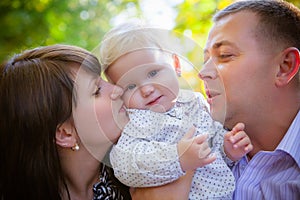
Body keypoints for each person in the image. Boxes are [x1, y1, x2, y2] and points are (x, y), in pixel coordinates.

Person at [131, 0, 300, 199]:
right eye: (205, 61)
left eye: (225, 55)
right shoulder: (182, 148)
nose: (203, 73)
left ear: (284, 67)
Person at [99, 21, 252, 199]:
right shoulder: (136, 122)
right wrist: (177, 157)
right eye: (130, 86)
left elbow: (211, 150)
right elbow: (126, 166)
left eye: (153, 73)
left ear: (176, 64)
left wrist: (227, 149)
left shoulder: (195, 103)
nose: (146, 89)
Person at [0, 44, 131, 200]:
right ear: (65, 134)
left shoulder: (144, 173)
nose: (118, 89)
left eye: (102, 80)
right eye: (97, 90)